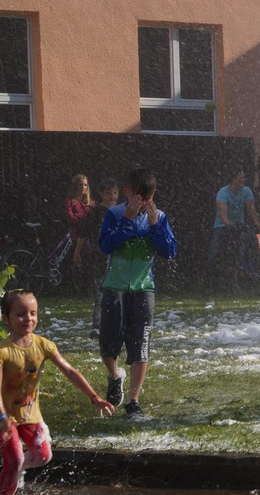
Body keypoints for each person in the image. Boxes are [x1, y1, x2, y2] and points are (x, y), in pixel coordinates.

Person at [0, 289, 116, 495]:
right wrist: (2, 417)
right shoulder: (3, 351)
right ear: (6, 318)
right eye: (21, 314)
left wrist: (94, 397)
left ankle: (13, 472)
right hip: (6, 416)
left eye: (33, 313)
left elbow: (70, 371)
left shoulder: (43, 345)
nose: (28, 318)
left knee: (43, 455)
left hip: (30, 414)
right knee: (15, 457)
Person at [98, 167, 178, 423]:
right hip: (114, 287)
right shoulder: (114, 213)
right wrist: (127, 220)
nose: (143, 203)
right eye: (138, 196)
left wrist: (154, 227)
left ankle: (133, 400)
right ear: (127, 192)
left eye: (148, 197)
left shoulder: (159, 217)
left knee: (141, 343)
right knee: (108, 343)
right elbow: (105, 245)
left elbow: (169, 251)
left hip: (144, 289)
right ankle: (114, 375)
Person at [207, 169, 260, 295]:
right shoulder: (223, 193)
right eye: (241, 177)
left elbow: (251, 208)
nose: (244, 180)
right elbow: (222, 211)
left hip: (239, 226)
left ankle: (251, 270)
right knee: (214, 252)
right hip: (222, 226)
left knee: (252, 241)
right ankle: (210, 284)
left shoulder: (246, 191)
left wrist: (257, 223)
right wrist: (227, 222)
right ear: (233, 179)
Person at [86, 178, 119, 339]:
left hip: (118, 256)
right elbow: (85, 233)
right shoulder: (95, 211)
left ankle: (117, 322)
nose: (112, 196)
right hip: (100, 255)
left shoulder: (122, 210)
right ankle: (97, 325)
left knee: (117, 290)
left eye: (114, 192)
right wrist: (78, 251)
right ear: (101, 194)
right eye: (108, 193)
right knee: (100, 291)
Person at [65, 173, 95, 294]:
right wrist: (85, 217)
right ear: (75, 186)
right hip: (76, 234)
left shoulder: (90, 202)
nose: (83, 187)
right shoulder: (70, 201)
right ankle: (82, 287)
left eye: (85, 185)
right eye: (80, 185)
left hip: (89, 234)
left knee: (89, 261)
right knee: (82, 259)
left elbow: (93, 218)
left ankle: (86, 286)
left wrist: (80, 217)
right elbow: (70, 218)